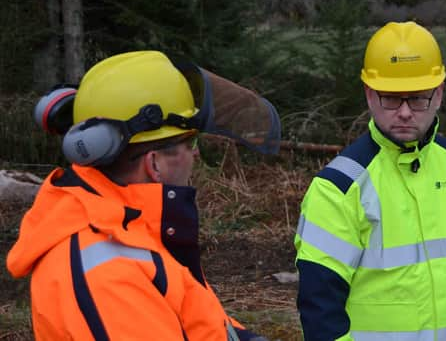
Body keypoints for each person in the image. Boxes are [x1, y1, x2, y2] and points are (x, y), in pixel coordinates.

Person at [7, 51, 280, 341]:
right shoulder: (109, 277)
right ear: (154, 164)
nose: (196, 154)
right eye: (191, 142)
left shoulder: (130, 228)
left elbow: (202, 323)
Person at [294, 22, 446, 341]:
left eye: (418, 98)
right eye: (391, 99)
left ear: (439, 94)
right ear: (369, 94)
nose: (405, 113)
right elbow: (321, 311)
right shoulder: (338, 189)